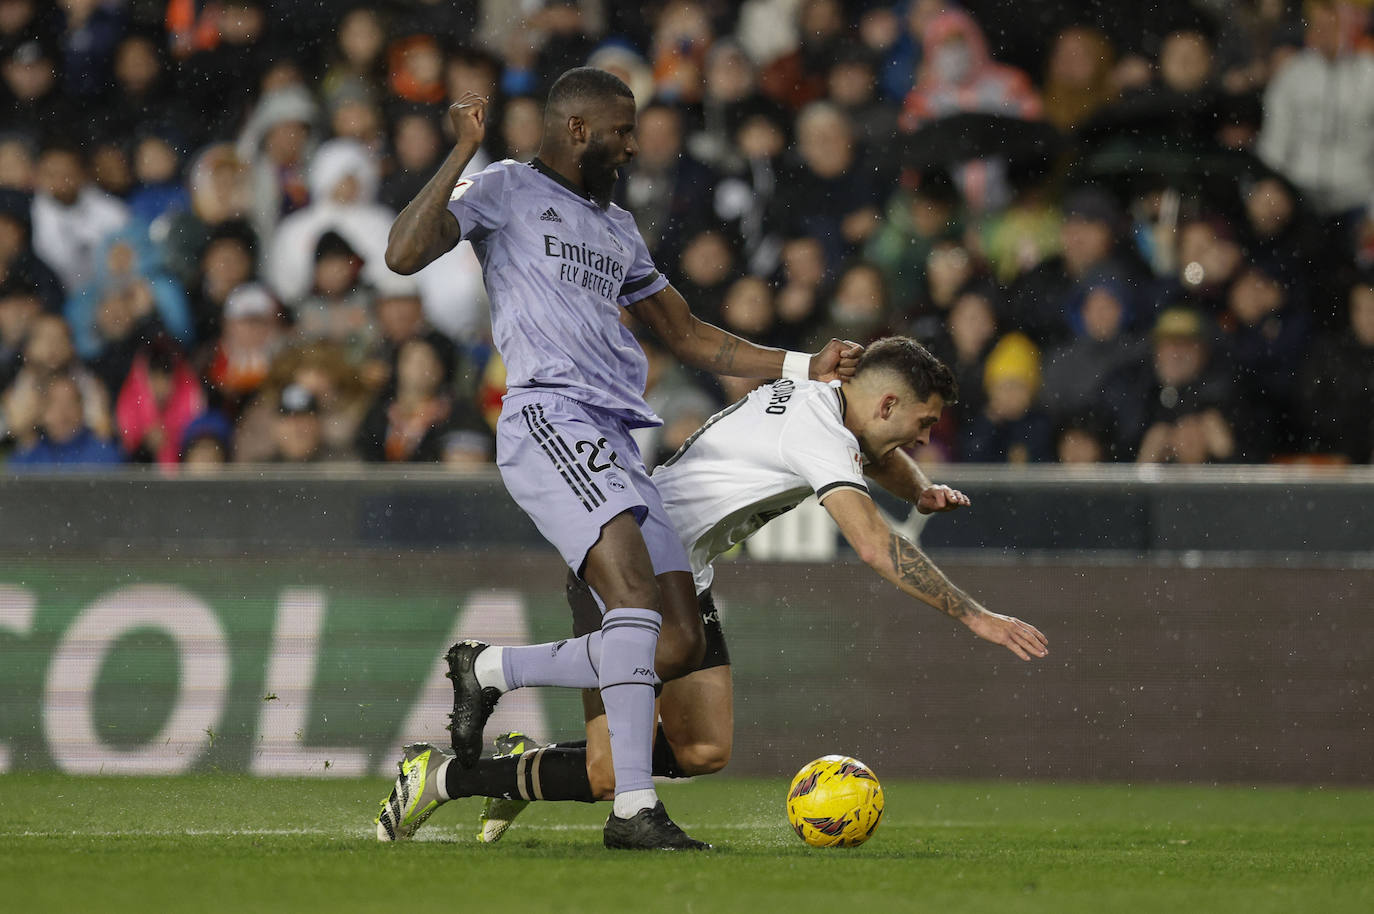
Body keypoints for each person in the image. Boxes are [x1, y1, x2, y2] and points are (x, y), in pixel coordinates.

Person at [373, 67, 859, 851]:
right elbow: (401, 254)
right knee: (631, 596)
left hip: (617, 438)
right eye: (622, 129)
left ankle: (493, 670)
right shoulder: (503, 187)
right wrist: (460, 153)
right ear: (576, 130)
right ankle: (635, 811)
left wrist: (806, 366)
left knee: (676, 638)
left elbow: (692, 337)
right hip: (550, 416)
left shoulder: (618, 227)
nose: (633, 145)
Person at [373, 337, 1048, 843]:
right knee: (611, 777)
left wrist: (919, 488)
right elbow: (875, 545)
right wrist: (976, 616)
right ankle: (447, 763)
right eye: (924, 424)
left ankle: (532, 755)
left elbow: (877, 449)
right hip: (626, 559)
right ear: (887, 402)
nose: (925, 438)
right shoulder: (817, 430)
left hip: (680, 570)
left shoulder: (828, 409)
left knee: (702, 752)